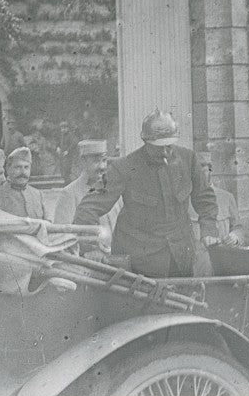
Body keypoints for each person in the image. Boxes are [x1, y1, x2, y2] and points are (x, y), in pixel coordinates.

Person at [73, 111, 219, 278]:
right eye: (158, 147)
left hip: (181, 256)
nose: (165, 152)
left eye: (169, 145)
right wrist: (92, 248)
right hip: (139, 263)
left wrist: (209, 229)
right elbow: (87, 207)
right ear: (146, 141)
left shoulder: (188, 159)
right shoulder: (124, 167)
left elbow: (205, 198)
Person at [54, 139, 118, 231]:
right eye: (96, 161)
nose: (102, 166)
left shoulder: (114, 191)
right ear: (83, 162)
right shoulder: (69, 194)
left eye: (104, 160)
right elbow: (62, 237)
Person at [196, 151, 249, 246]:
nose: (205, 170)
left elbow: (239, 228)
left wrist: (235, 237)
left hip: (223, 256)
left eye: (208, 167)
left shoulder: (226, 197)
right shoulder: (184, 200)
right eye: (200, 166)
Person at [0, 146, 50, 220]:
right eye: (18, 167)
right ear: (8, 168)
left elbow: (47, 224)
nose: (23, 172)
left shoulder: (38, 195)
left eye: (26, 167)